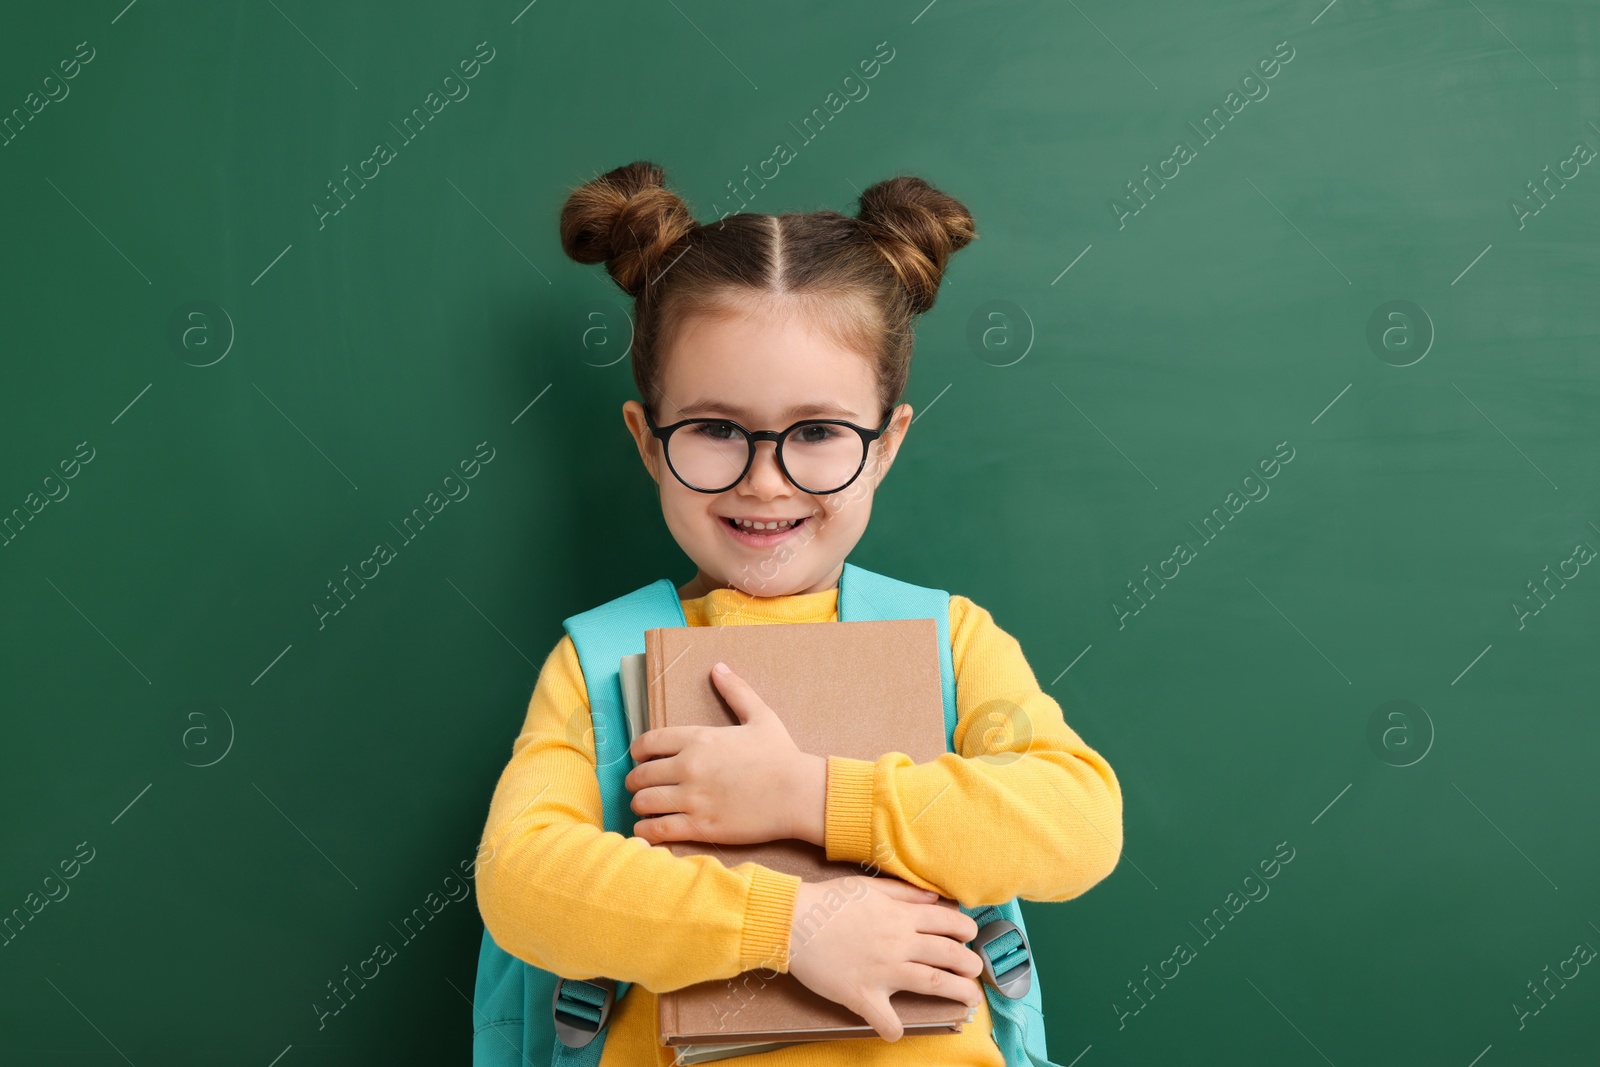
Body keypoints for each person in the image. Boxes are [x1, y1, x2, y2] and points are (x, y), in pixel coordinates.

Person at [474, 160, 1123, 1065]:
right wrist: (793, 926)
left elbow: (1078, 823)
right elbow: (521, 880)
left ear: (887, 442)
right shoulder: (600, 663)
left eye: (818, 432)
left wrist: (807, 794)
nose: (765, 479)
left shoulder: (951, 641)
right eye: (714, 429)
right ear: (646, 441)